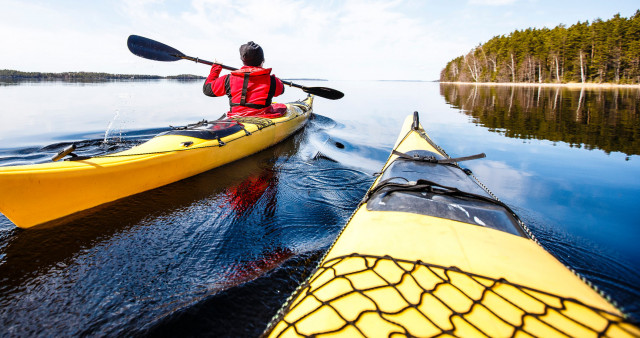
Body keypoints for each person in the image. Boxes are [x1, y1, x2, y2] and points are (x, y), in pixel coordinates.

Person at [203, 41, 286, 118]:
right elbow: (281, 90)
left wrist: (216, 68)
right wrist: (276, 79)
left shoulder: (228, 79)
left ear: (243, 61)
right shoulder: (272, 80)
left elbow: (207, 89)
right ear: (262, 61)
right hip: (264, 118)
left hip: (236, 118)